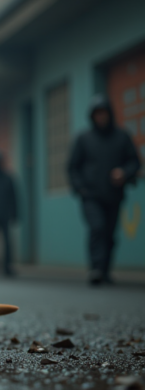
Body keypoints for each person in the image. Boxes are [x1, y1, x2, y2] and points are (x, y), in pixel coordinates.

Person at [67, 96, 141, 286]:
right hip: (90, 195)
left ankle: (105, 271)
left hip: (113, 195)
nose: (101, 117)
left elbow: (135, 161)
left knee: (109, 234)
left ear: (110, 113)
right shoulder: (84, 139)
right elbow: (73, 167)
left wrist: (124, 172)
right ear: (92, 116)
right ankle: (96, 269)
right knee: (97, 228)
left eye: (104, 113)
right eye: (97, 114)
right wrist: (80, 188)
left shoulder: (122, 136)